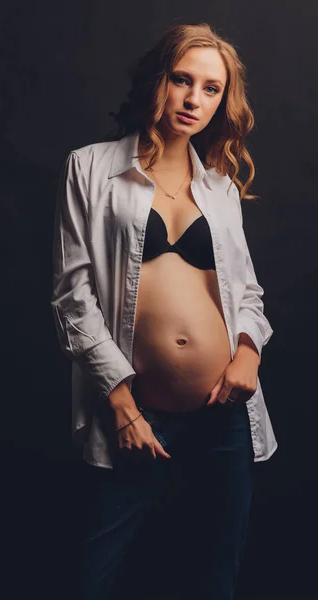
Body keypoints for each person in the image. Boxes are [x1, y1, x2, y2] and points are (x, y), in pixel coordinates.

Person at [51, 22, 278, 600]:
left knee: (214, 571)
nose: (194, 99)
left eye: (211, 88)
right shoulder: (92, 169)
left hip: (224, 411)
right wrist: (122, 405)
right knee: (93, 571)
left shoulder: (222, 188)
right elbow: (73, 299)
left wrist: (248, 352)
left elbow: (247, 292)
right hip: (136, 415)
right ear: (160, 80)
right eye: (183, 80)